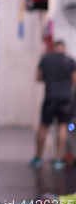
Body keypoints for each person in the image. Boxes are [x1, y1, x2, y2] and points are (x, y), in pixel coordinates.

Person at [31, 40, 76, 170]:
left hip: (50, 96)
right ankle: (57, 159)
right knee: (62, 126)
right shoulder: (70, 61)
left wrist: (51, 79)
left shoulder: (46, 59)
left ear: (54, 47)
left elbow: (38, 78)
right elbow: (74, 81)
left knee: (44, 126)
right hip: (66, 98)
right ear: (64, 48)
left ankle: (38, 157)